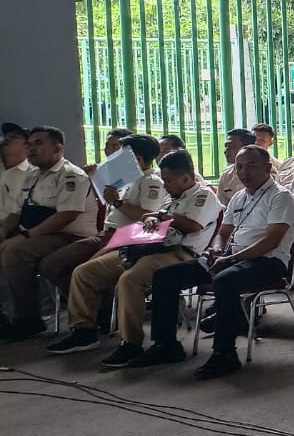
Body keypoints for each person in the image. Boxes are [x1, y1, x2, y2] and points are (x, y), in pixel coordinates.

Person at [44, 150, 223, 365]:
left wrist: (161, 216)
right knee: (85, 272)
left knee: (130, 280)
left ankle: (131, 343)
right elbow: (153, 218)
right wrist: (152, 219)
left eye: (168, 180)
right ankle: (83, 331)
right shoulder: (170, 197)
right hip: (146, 246)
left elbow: (193, 225)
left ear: (186, 178)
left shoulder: (204, 196)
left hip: (179, 253)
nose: (165, 185)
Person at [146, 146, 294, 379]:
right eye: (239, 167)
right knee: (165, 276)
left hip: (267, 262)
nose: (244, 172)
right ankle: (166, 345)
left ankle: (225, 354)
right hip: (230, 258)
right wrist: (216, 251)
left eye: (251, 166)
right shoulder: (239, 196)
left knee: (225, 281)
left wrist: (231, 258)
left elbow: (271, 241)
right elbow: (223, 232)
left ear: (268, 168)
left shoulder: (281, 197)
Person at [0, 126, 97, 341]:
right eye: (30, 144)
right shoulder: (32, 175)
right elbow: (17, 212)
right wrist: (4, 230)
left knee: (15, 251)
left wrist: (25, 236)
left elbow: (66, 216)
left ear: (58, 148)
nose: (32, 148)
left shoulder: (71, 175)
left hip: (69, 235)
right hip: (40, 234)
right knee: (10, 245)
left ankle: (28, 318)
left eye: (38, 143)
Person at [40, 133, 166, 295]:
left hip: (124, 238)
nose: (114, 158)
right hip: (107, 234)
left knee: (73, 269)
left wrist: (117, 202)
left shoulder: (151, 182)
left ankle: (92, 304)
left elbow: (148, 215)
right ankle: (87, 300)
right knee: (51, 265)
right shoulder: (128, 178)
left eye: (121, 155)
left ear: (137, 159)